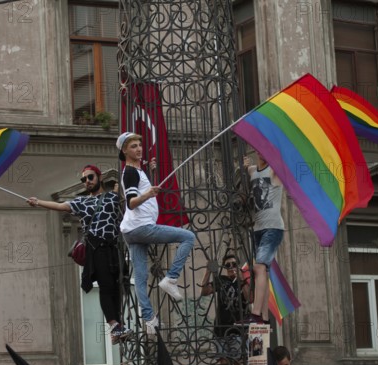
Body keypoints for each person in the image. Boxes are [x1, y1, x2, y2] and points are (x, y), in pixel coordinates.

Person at [26, 164, 131, 344]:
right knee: (105, 286)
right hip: (96, 248)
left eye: (90, 177)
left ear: (99, 178)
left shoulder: (113, 197)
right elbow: (60, 206)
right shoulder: (82, 202)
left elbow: (131, 194)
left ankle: (117, 330)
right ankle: (114, 325)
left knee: (118, 286)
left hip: (114, 248)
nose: (87, 182)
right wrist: (38, 202)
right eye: (84, 179)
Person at [116, 131, 195, 335]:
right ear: (124, 150)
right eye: (133, 146)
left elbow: (142, 192)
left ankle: (149, 319)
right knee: (188, 236)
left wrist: (151, 176)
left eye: (139, 145)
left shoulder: (137, 171)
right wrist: (148, 193)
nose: (139, 149)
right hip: (141, 227)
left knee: (141, 278)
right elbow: (132, 203)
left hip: (131, 231)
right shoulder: (130, 172)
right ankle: (171, 278)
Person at [237, 150, 285, 325]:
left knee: (258, 268)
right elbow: (245, 188)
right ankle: (264, 317)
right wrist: (242, 168)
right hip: (258, 229)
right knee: (263, 271)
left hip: (273, 228)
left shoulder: (275, 170)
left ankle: (256, 314)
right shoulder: (251, 171)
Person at [200, 253, 251, 337]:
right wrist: (208, 271)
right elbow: (204, 292)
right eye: (228, 265)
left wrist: (241, 280)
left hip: (241, 330)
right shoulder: (221, 280)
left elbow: (249, 298)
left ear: (238, 266)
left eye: (234, 264)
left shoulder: (244, 279)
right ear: (225, 268)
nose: (231, 267)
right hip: (222, 330)